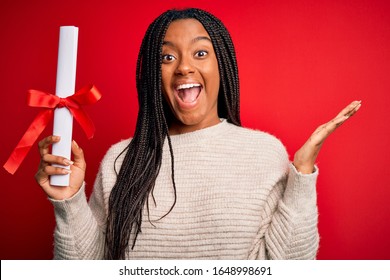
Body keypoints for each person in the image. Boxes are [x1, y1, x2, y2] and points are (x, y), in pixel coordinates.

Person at [35, 8, 361, 260]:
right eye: (167, 57)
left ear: (222, 66)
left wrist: (302, 174)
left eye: (200, 53)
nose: (184, 67)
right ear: (153, 74)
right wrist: (68, 202)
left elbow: (288, 268)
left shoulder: (264, 153)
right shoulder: (121, 160)